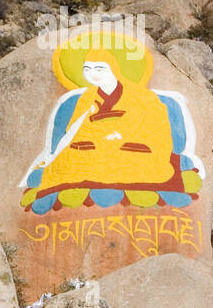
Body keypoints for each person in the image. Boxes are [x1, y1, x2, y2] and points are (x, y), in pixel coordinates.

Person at [27, 48, 178, 197]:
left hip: (129, 147)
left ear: (113, 68)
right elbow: (74, 129)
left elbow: (156, 125)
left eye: (99, 69)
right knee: (69, 160)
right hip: (96, 147)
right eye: (87, 69)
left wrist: (122, 134)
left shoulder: (141, 96)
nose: (93, 74)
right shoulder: (87, 98)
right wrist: (96, 135)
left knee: (134, 161)